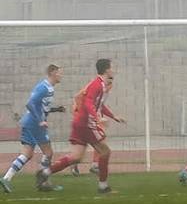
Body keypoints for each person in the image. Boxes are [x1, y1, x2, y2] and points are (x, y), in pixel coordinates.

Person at [37, 59, 126, 194]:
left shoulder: (101, 84)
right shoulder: (97, 85)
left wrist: (113, 116)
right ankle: (103, 187)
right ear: (107, 70)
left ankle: (45, 172)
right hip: (87, 124)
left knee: (76, 157)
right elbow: (88, 103)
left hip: (80, 123)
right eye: (112, 67)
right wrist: (97, 118)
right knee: (105, 152)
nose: (113, 70)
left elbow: (98, 105)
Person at [1, 64, 66, 193]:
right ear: (52, 72)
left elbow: (40, 107)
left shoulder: (49, 88)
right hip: (35, 124)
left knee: (27, 154)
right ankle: (43, 182)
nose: (61, 75)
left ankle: (6, 178)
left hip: (28, 123)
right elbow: (30, 104)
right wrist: (40, 120)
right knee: (48, 153)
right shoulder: (44, 87)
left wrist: (56, 109)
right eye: (59, 72)